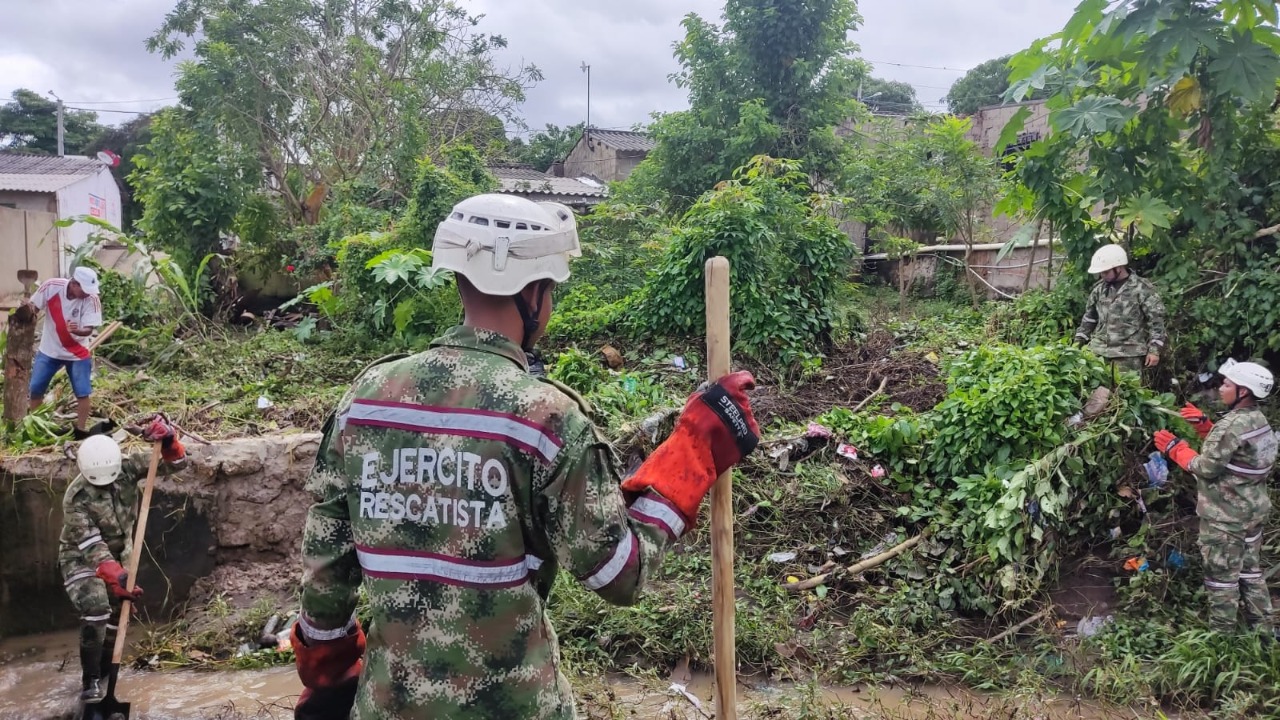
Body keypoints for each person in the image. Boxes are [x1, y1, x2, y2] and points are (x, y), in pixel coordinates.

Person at [291, 194, 761, 720]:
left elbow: (325, 581)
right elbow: (619, 572)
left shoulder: (366, 400)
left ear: (458, 277)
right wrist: (694, 451)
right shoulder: (548, 418)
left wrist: (329, 671)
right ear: (535, 294)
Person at [60, 416, 186, 702]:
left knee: (117, 617)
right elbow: (92, 547)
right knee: (96, 609)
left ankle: (106, 673)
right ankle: (90, 680)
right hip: (81, 558)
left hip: (123, 556)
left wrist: (169, 443)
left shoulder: (128, 467)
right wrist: (116, 577)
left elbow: (177, 465)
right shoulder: (75, 498)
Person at [1154, 359, 1276, 633]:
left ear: (1243, 392)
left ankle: (1221, 641)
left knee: (1222, 580)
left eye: (1227, 384)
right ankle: (1264, 631)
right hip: (1251, 512)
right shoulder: (1257, 420)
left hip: (1225, 517)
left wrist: (1176, 449)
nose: (1222, 388)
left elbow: (1207, 468)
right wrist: (1205, 426)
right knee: (1249, 572)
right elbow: (1239, 455)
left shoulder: (1231, 426)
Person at [24, 267, 104, 439]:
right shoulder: (51, 287)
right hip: (49, 350)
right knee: (36, 388)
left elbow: (89, 330)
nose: (87, 294)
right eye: (83, 290)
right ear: (74, 284)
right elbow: (33, 308)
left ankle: (81, 430)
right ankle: (36, 426)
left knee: (83, 392)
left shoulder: (92, 299)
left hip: (77, 353)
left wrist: (78, 330)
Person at [1073, 244, 1167, 374]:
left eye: (1106, 272)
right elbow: (1089, 318)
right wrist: (1077, 344)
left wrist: (1154, 350)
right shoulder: (1099, 290)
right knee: (1097, 394)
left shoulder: (1141, 288)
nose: (1102, 275)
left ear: (1118, 268)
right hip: (1098, 353)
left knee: (1127, 393)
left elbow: (1156, 321)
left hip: (1128, 356)